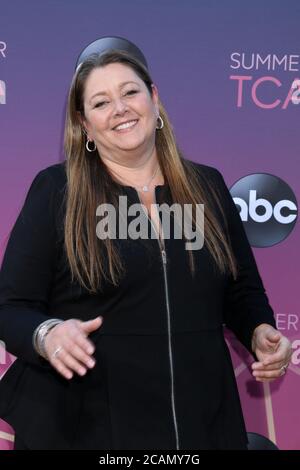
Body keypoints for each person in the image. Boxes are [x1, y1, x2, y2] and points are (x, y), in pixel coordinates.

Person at [0, 37, 292, 450]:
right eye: (100, 103)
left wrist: (259, 329)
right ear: (84, 123)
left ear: (154, 99)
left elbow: (240, 288)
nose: (119, 108)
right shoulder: (57, 191)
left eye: (130, 92)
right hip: (88, 428)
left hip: (201, 425)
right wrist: (47, 334)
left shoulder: (205, 186)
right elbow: (10, 307)